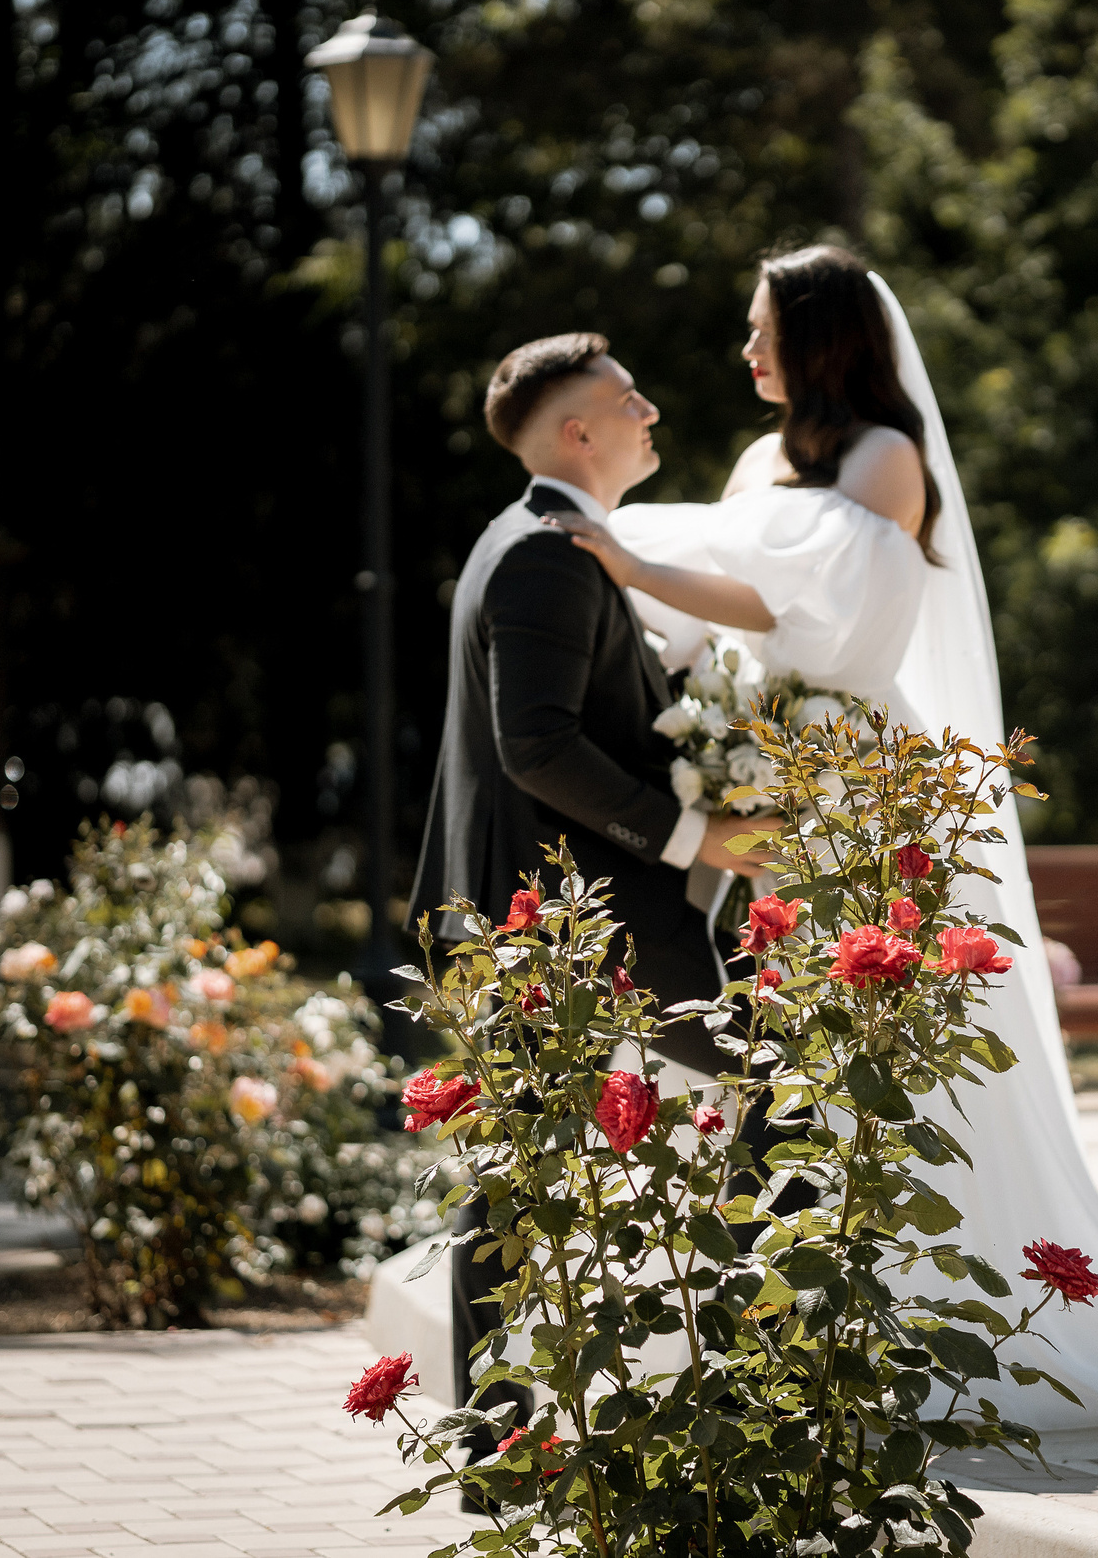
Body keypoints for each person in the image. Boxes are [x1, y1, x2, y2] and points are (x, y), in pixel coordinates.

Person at [544, 245, 1098, 1438]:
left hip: (852, 774)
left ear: (820, 337)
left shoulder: (884, 459)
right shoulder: (761, 457)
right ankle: (789, 1307)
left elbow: (808, 612)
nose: (743, 351)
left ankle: (903, 1312)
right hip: (764, 767)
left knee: (866, 1031)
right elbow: (716, 609)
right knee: (771, 1032)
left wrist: (637, 561)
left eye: (761, 330)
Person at [402, 331, 773, 1434]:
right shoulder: (544, 554)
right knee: (770, 1094)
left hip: (548, 910)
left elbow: (582, 706)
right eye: (630, 400)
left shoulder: (528, 541)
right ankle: (748, 1373)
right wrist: (691, 837)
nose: (650, 412)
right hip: (563, 913)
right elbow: (536, 748)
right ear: (578, 431)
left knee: (520, 1160)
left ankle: (496, 1416)